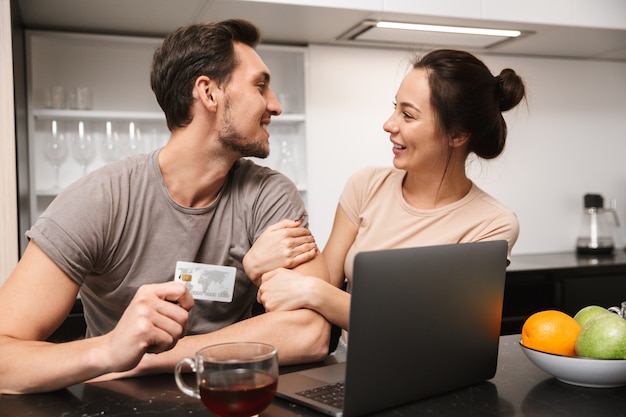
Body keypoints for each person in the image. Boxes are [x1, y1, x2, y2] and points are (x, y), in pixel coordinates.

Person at [0, 19, 330, 394]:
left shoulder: (268, 195)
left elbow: (311, 332)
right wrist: (110, 350)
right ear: (208, 93)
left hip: (227, 399)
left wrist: (143, 359)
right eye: (259, 85)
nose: (275, 105)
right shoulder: (100, 200)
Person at [254, 49, 526, 348]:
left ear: (458, 134)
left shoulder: (492, 225)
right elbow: (324, 281)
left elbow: (436, 329)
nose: (389, 124)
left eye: (408, 115)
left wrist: (316, 293)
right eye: (395, 108)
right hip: (345, 369)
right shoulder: (366, 185)